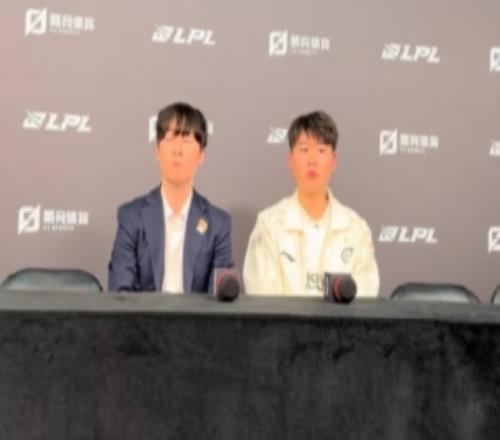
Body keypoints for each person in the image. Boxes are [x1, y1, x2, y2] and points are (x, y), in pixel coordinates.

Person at [243, 110, 379, 296]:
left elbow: (364, 299)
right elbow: (264, 300)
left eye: (321, 150)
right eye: (304, 150)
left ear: (333, 161)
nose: (312, 161)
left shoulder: (356, 230)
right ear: (290, 160)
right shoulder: (269, 226)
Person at [108, 102, 233, 292]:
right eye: (170, 138)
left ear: (201, 155)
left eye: (186, 139)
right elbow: (120, 292)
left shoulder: (218, 224)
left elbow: (220, 298)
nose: (177, 149)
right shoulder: (131, 217)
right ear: (157, 151)